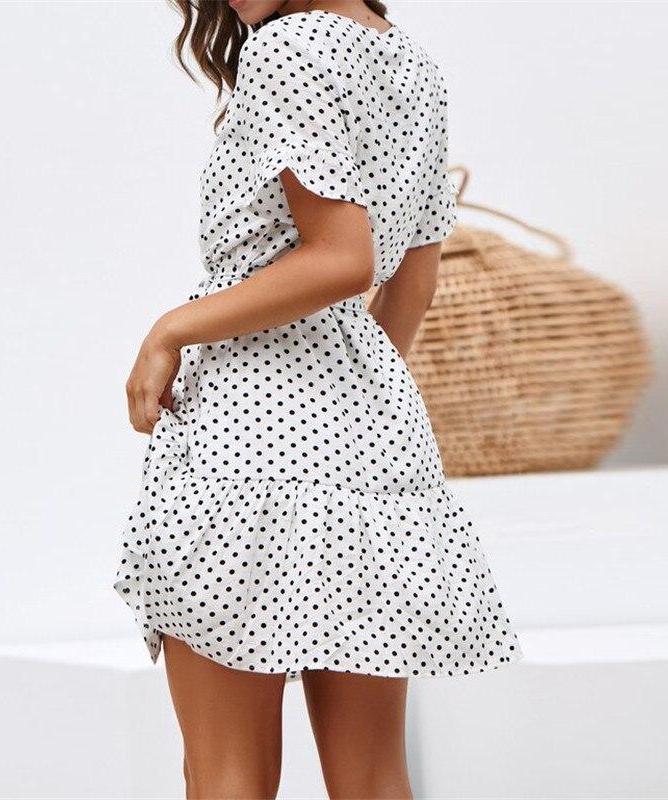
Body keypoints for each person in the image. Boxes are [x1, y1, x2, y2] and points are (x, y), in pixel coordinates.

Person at [114, 1, 523, 797]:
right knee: (373, 777)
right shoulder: (412, 65)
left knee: (226, 773)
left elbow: (341, 259)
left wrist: (171, 330)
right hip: (373, 433)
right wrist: (348, 413)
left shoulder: (288, 48)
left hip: (248, 433)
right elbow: (412, 284)